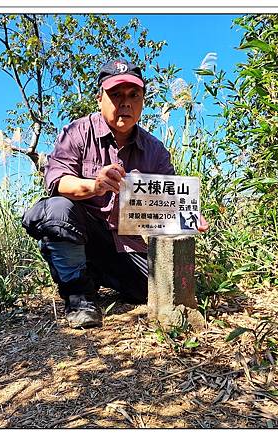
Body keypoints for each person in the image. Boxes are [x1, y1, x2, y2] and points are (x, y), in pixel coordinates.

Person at [29, 57, 208, 329]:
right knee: (56, 210)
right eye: (115, 94)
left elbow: (171, 202)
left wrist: (188, 216)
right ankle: (78, 296)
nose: (125, 102)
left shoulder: (155, 150)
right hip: (84, 231)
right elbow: (57, 181)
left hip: (126, 244)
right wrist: (94, 185)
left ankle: (97, 274)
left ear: (142, 101)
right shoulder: (77, 132)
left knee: (147, 289)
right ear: (100, 98)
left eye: (133, 95)